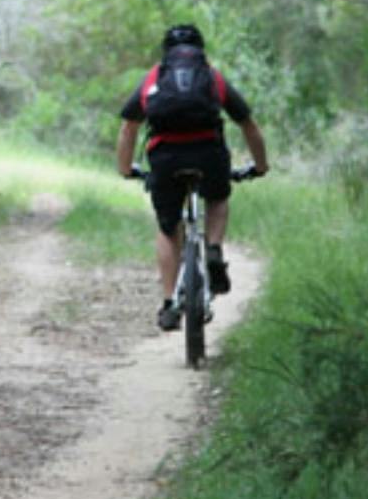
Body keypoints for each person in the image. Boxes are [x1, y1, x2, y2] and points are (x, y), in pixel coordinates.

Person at [115, 23, 269, 331]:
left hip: (165, 158)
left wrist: (126, 168)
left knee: (168, 227)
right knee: (218, 196)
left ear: (165, 51)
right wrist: (260, 165)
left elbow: (129, 126)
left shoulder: (154, 77)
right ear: (201, 49)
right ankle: (213, 248)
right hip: (207, 153)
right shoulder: (212, 76)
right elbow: (248, 124)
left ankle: (170, 303)